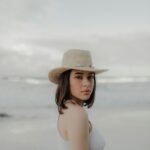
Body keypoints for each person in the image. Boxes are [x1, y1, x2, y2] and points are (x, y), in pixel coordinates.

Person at [48, 49, 108, 150]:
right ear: (66, 80)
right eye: (79, 77)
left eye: (90, 77)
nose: (87, 83)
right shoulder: (76, 113)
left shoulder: (68, 108)